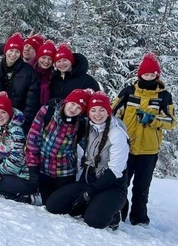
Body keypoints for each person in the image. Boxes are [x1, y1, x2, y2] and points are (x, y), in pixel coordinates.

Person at [46, 92, 128, 230]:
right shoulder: (89, 127)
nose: (97, 114)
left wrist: (88, 194)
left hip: (112, 186)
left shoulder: (117, 134)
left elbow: (115, 171)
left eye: (102, 110)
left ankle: (114, 214)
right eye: (93, 110)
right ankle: (95, 204)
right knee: (53, 205)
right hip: (88, 181)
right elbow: (72, 106)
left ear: (108, 112)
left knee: (94, 221)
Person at [113, 53, 177, 226]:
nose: (148, 77)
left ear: (157, 75)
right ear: (139, 74)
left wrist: (152, 119)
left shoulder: (164, 96)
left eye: (152, 75)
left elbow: (171, 122)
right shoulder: (128, 92)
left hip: (149, 150)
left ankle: (139, 218)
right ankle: (118, 213)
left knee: (142, 187)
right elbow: (113, 113)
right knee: (121, 183)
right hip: (127, 147)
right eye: (145, 74)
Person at [26, 88, 90, 203]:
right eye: (72, 104)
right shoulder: (47, 112)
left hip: (65, 172)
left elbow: (87, 147)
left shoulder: (81, 123)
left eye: (79, 107)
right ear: (66, 101)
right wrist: (33, 168)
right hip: (43, 169)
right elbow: (32, 139)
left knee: (61, 205)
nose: (74, 109)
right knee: (45, 202)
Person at [0, 92, 38, 203]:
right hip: (5, 173)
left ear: (9, 114)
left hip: (22, 177)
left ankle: (27, 198)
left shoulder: (16, 131)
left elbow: (17, 160)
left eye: (3, 112)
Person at [24, 42, 99, 128]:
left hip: (74, 126)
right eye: (58, 61)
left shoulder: (87, 80)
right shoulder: (54, 78)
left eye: (65, 60)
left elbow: (94, 105)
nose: (62, 64)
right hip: (51, 124)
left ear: (71, 61)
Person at [0, 33, 39, 125]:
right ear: (5, 51)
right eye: (11, 50)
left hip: (18, 120)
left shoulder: (29, 72)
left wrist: (24, 121)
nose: (13, 54)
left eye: (17, 51)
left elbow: (31, 101)